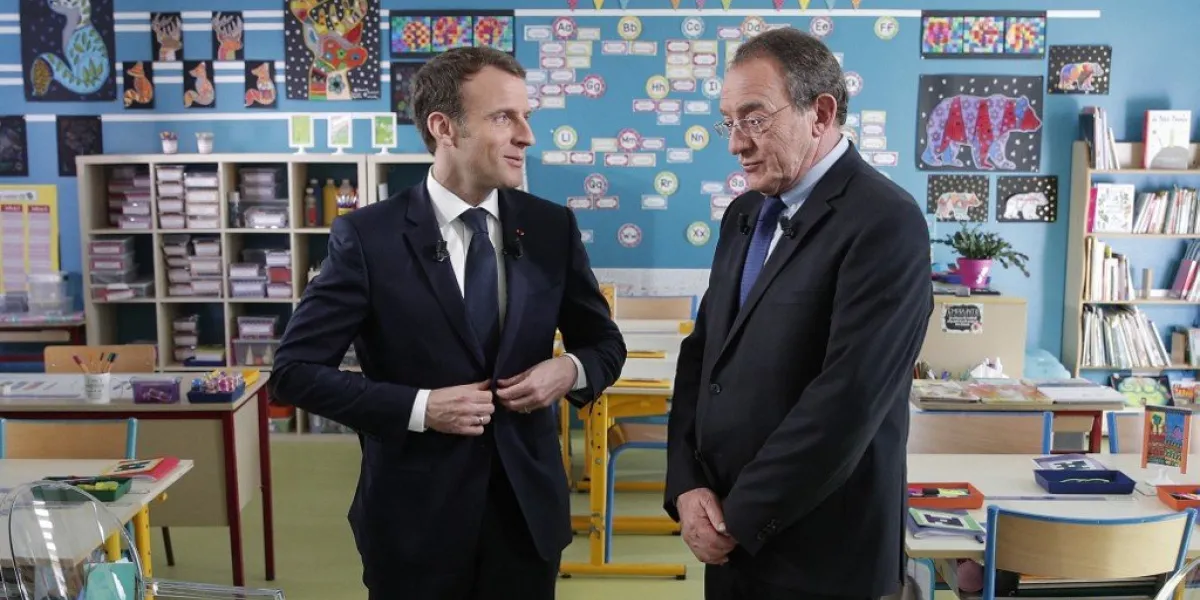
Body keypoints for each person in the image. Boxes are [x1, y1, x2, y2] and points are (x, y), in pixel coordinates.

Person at [269, 46, 626, 600]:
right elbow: (293, 372)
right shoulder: (368, 238)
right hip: (414, 520)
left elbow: (603, 343)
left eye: (527, 116)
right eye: (504, 117)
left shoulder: (551, 228)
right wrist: (420, 408)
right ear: (443, 128)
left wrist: (569, 372)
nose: (526, 136)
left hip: (526, 518)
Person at [663, 28, 933, 600]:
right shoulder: (744, 214)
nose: (736, 143)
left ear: (822, 113)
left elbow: (846, 401)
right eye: (728, 121)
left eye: (755, 118)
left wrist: (739, 517)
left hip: (820, 553)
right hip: (727, 541)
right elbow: (703, 356)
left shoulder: (885, 221)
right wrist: (687, 488)